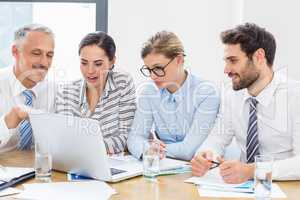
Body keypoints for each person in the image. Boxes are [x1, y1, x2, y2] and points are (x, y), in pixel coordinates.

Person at [191, 23, 300, 183]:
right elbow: (216, 139)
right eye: (226, 61)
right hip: (242, 188)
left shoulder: (295, 96)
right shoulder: (232, 95)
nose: (226, 70)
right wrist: (206, 155)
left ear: (259, 57)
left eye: (233, 61)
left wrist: (252, 170)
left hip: (285, 188)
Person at [127, 31, 220, 161]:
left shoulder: (206, 93)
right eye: (148, 69)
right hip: (163, 167)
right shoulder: (148, 91)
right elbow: (134, 138)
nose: (153, 76)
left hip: (198, 170)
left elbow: (189, 150)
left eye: (158, 68)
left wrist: (154, 149)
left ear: (179, 60)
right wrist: (148, 150)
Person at [55, 31, 136, 154]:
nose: (90, 71)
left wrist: (89, 148)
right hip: (76, 163)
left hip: (111, 164)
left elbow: (128, 137)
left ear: (112, 61)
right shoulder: (67, 92)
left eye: (98, 64)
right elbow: (64, 139)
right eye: (84, 63)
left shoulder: (122, 82)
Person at [0, 24, 56, 152]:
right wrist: (8, 121)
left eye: (49, 55)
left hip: (39, 168)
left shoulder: (55, 91)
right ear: (15, 51)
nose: (44, 62)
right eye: (36, 53)